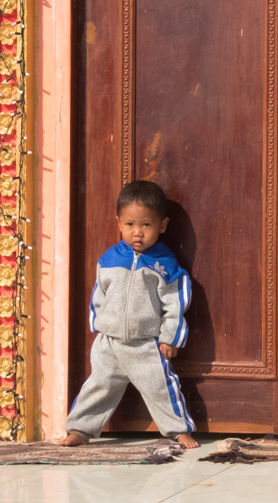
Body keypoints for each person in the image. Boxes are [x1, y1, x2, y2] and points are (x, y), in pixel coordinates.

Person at [62, 179, 198, 449]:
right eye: (130, 225)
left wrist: (171, 337)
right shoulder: (109, 259)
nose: (138, 232)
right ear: (119, 223)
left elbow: (175, 302)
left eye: (146, 225)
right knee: (98, 386)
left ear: (162, 225)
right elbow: (98, 294)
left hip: (146, 344)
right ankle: (79, 430)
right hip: (109, 343)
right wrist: (98, 324)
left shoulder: (165, 264)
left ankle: (179, 430)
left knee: (161, 388)